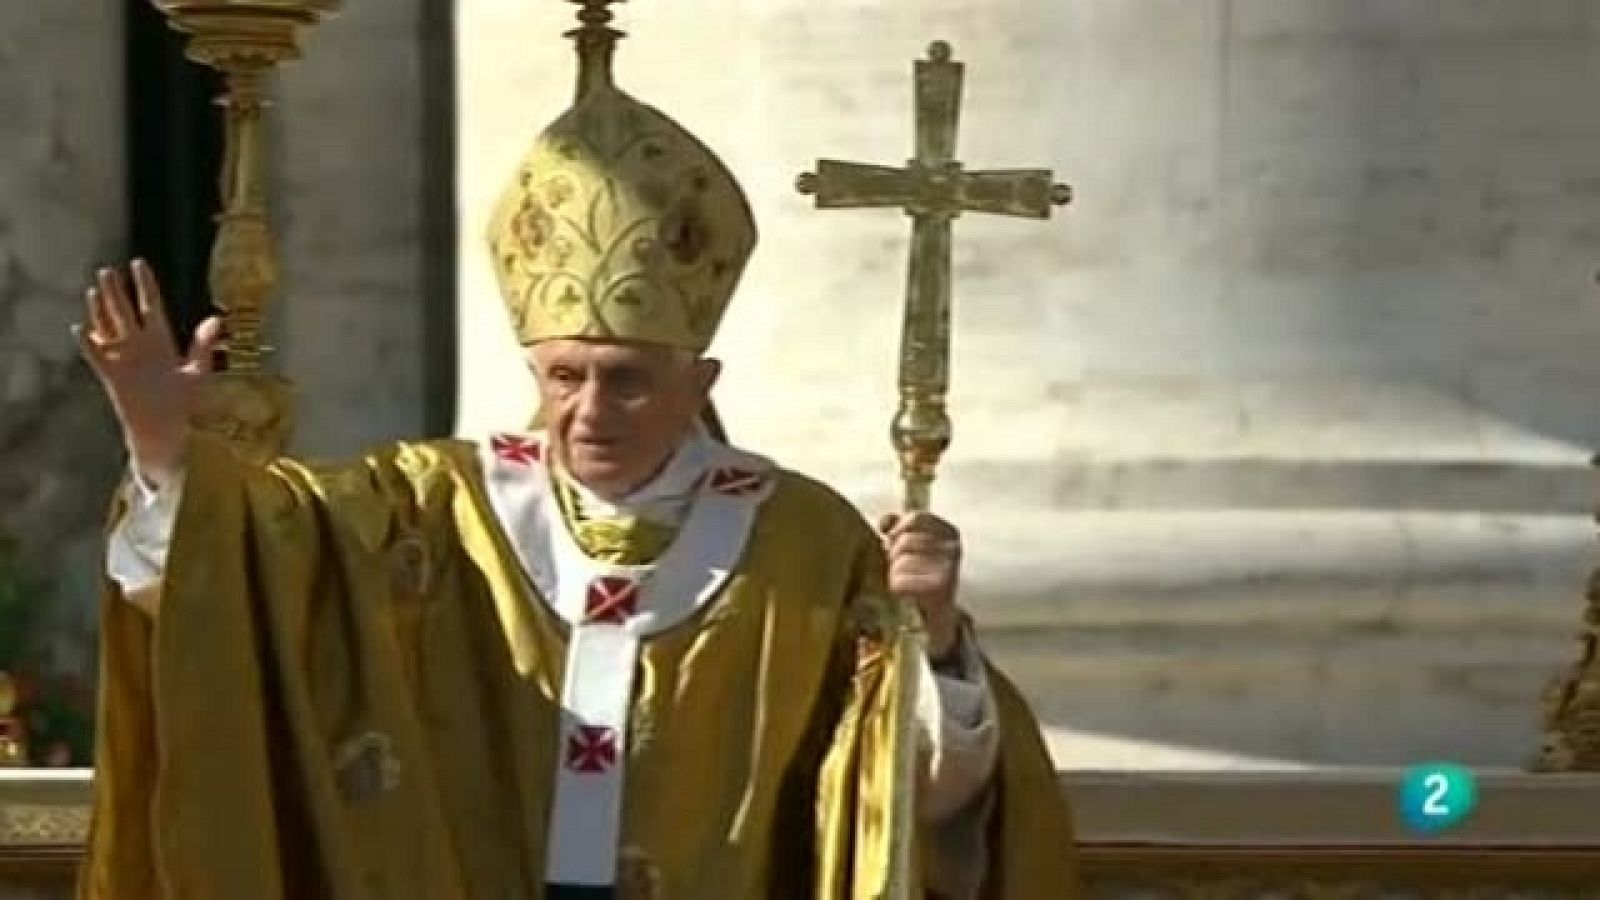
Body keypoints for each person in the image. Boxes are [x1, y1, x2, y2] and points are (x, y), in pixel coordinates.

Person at [74, 6, 1079, 899]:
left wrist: (936, 639)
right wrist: (162, 442)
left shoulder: (804, 542)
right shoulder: (427, 507)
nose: (588, 408)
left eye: (627, 378)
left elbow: (909, 803)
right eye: (564, 376)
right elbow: (236, 576)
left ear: (701, 383)